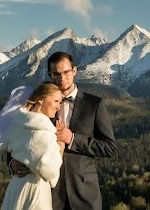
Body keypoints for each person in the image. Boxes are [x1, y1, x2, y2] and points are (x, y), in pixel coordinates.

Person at [11, 52, 116, 210]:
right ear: (50, 75)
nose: (62, 78)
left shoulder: (94, 104)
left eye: (66, 72)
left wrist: (73, 139)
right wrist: (11, 163)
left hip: (84, 194)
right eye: (56, 74)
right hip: (48, 193)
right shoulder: (41, 103)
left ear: (74, 71)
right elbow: (18, 135)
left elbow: (109, 147)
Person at [0, 83, 65, 210]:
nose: (59, 107)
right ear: (41, 100)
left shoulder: (17, 122)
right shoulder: (43, 131)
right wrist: (60, 147)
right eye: (56, 101)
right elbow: (49, 172)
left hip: (16, 186)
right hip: (34, 190)